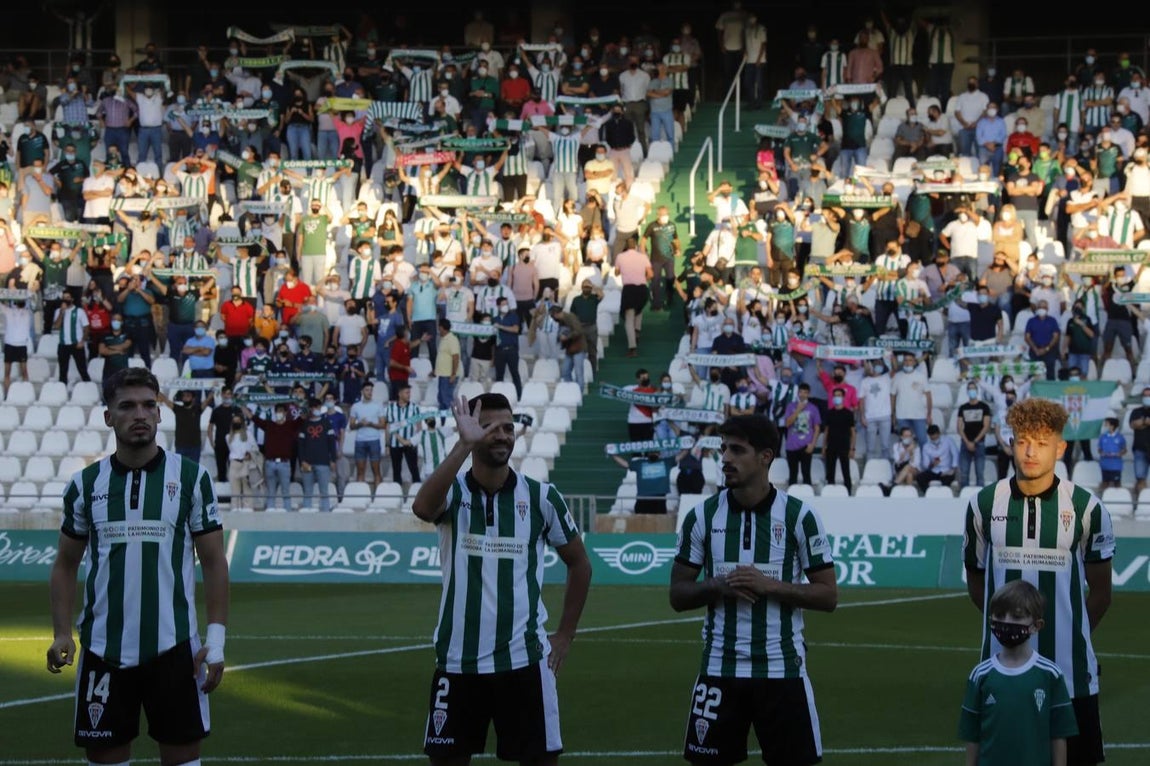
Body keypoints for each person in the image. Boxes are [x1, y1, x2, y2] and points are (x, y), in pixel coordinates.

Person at [47, 367, 229, 766]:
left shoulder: (192, 478)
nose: (141, 414)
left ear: (160, 413)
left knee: (183, 760)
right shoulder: (85, 484)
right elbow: (64, 564)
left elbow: (214, 563)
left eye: (149, 405)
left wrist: (215, 641)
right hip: (103, 650)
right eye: (127, 406)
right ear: (108, 416)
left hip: (176, 648)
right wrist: (62, 632)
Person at [411, 393, 592, 765]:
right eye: (491, 428)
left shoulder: (542, 498)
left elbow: (580, 564)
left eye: (509, 428)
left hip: (524, 660)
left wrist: (565, 635)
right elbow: (423, 508)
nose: (503, 435)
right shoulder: (454, 492)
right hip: (457, 661)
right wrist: (464, 445)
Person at [671, 414, 836, 766]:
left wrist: (769, 586)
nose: (726, 458)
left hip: (782, 670)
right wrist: (718, 584)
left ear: (765, 457)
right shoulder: (701, 517)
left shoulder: (799, 517)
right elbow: (678, 594)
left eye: (737, 450)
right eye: (723, 449)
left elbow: (828, 595)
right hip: (719, 668)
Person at [964, 397, 1114, 766]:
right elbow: (977, 585)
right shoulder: (984, 504)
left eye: (1042, 443)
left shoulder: (1086, 508)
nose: (1030, 452)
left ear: (1060, 448)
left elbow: (1102, 593)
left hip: (1072, 674)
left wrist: (1071, 634)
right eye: (1022, 441)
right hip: (1001, 673)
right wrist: (1009, 633)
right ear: (1012, 443)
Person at [957, 579, 1078, 766]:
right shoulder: (980, 675)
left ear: (1037, 626)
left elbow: (1059, 734)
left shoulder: (1050, 674)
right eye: (999, 615)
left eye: (1016, 616)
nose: (1006, 622)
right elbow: (972, 736)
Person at [349, 380, 386, 485]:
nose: (369, 392)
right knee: (360, 472)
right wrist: (360, 424)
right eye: (367, 390)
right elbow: (351, 426)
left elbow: (383, 424)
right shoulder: (355, 406)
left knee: (376, 471)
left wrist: (370, 424)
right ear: (362, 391)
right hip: (360, 440)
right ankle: (360, 496)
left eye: (371, 390)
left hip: (374, 440)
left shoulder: (378, 405)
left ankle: (378, 496)